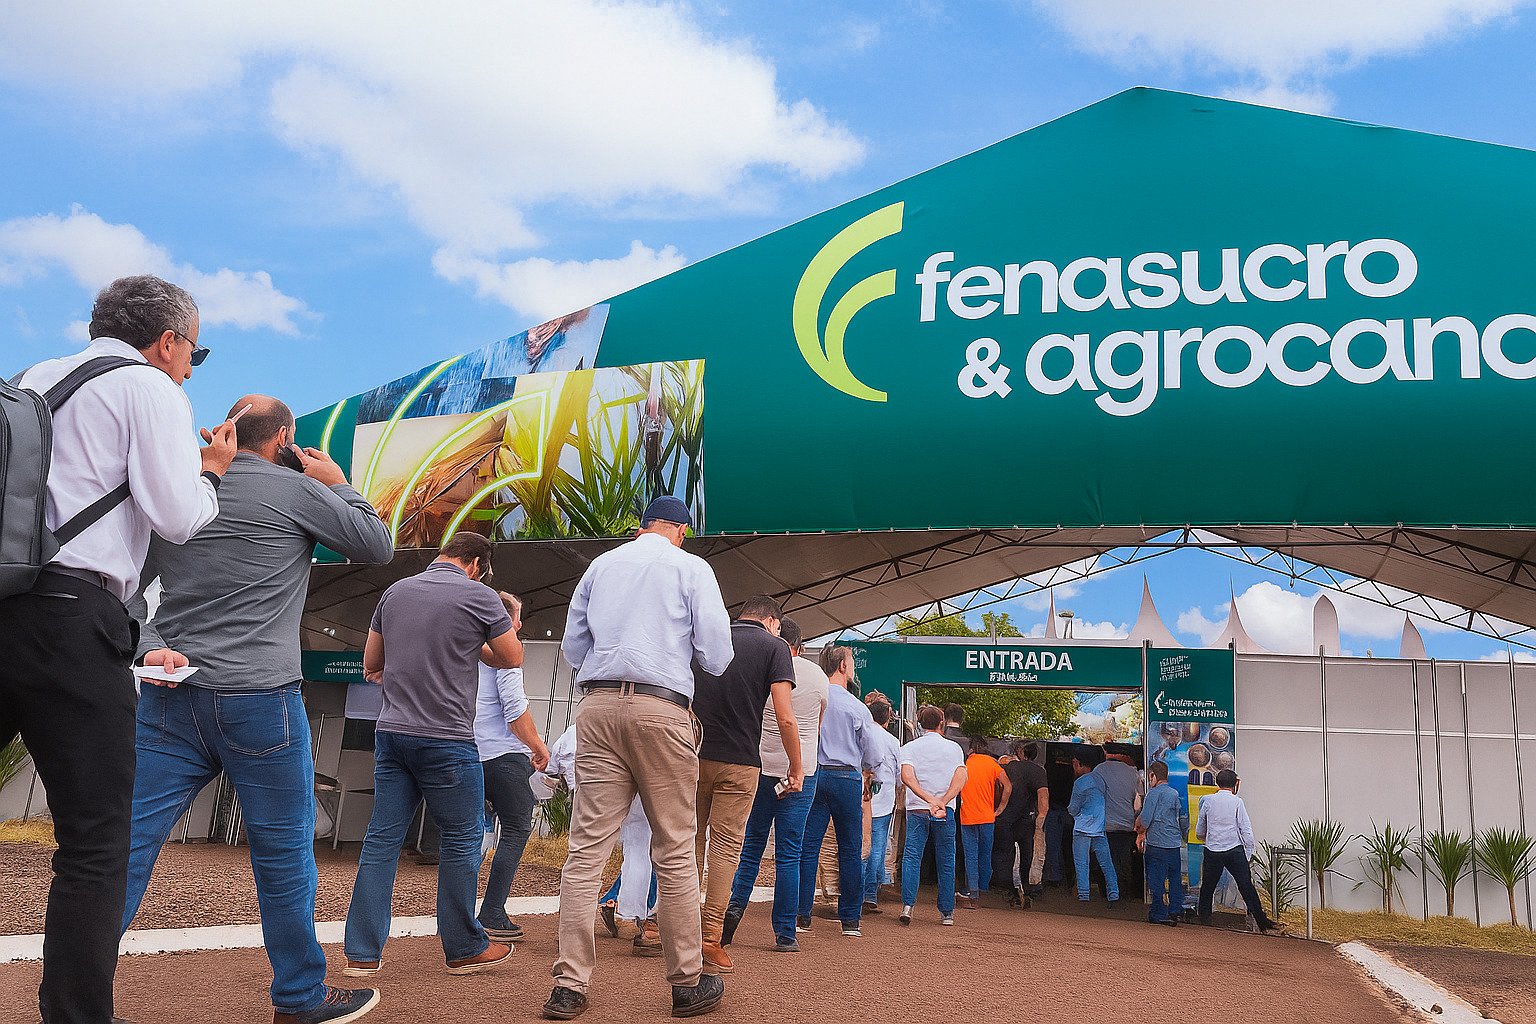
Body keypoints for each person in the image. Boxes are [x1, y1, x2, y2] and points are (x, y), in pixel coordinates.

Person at [1, 275, 235, 1024]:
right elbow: (173, 515)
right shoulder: (150, 389)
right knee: (96, 839)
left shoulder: (29, 378)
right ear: (167, 340)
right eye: (194, 352)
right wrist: (212, 475)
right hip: (74, 615)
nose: (190, 368)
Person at [123, 395, 393, 1024]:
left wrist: (151, 644)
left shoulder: (183, 488)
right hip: (260, 702)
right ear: (285, 439)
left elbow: (125, 582)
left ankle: (72, 992)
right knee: (283, 851)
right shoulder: (293, 491)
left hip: (169, 695)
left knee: (126, 844)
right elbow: (376, 546)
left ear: (228, 431)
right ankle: (298, 997)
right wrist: (341, 484)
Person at [547, 495, 732, 1021]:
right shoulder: (691, 567)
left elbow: (573, 647)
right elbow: (717, 654)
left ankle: (569, 985)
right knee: (673, 849)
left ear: (642, 526)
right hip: (662, 708)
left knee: (585, 852)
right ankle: (686, 983)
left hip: (598, 708)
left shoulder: (601, 565)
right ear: (678, 529)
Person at [344, 532, 523, 978]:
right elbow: (511, 656)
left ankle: (362, 953)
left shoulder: (395, 591)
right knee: (462, 839)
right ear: (478, 564)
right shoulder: (479, 595)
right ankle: (463, 947)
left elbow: (372, 664)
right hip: (447, 739)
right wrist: (487, 634)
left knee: (381, 841)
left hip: (393, 734)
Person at [691, 594, 800, 973]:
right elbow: (785, 717)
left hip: (693, 754)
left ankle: (676, 929)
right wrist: (796, 767)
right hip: (740, 762)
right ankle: (710, 939)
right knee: (725, 849)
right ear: (773, 621)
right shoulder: (775, 647)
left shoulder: (705, 635)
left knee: (689, 842)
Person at [722, 617, 828, 952]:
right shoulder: (819, 677)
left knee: (751, 847)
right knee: (790, 853)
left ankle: (731, 917)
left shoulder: (762, 669)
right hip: (801, 773)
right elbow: (817, 723)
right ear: (802, 643)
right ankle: (786, 934)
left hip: (761, 768)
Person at [474, 592, 553, 942]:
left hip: (465, 753)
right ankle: (492, 911)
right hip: (504, 757)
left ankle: (457, 916)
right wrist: (538, 746)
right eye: (516, 618)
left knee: (465, 835)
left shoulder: (462, 650)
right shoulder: (507, 657)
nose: (519, 625)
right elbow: (514, 709)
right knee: (518, 828)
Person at [798, 645, 882, 937]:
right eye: (851, 663)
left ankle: (802, 915)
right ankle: (850, 920)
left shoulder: (814, 698)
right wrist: (869, 768)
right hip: (847, 777)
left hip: (816, 774)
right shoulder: (857, 707)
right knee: (850, 848)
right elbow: (872, 751)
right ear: (843, 667)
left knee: (808, 847)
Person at [898, 705, 967, 926]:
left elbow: (907, 777)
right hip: (945, 810)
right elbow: (961, 777)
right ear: (942, 723)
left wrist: (927, 799)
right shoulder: (954, 748)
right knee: (946, 859)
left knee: (911, 857)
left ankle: (908, 906)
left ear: (920, 724)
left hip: (918, 808)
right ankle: (947, 912)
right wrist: (942, 801)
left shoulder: (909, 747)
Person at [1195, 770, 1281, 932]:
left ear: (1217, 783)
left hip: (1212, 850)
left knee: (1207, 887)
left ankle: (1204, 920)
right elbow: (1245, 829)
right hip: (1234, 849)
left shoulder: (1208, 801)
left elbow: (1200, 829)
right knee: (1246, 886)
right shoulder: (1237, 802)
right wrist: (1247, 853)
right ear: (1235, 784)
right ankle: (1262, 922)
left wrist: (1205, 838)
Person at [994, 739, 1049, 909]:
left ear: (1020, 752)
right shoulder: (1039, 771)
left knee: (1005, 855)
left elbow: (998, 789)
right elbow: (1043, 796)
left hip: (1005, 818)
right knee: (1027, 856)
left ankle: (1010, 890)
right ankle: (1026, 889)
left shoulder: (1008, 768)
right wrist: (1041, 818)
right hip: (1027, 820)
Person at [957, 736, 1010, 908]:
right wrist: (1000, 807)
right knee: (985, 854)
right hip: (988, 816)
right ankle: (984, 888)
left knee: (971, 856)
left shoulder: (964, 764)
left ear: (970, 748)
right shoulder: (992, 763)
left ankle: (973, 894)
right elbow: (1008, 786)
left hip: (968, 816)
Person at [862, 700, 901, 914]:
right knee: (876, 848)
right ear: (887, 716)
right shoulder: (892, 741)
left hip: (860, 800)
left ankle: (854, 893)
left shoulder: (861, 734)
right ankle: (870, 894)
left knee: (859, 846)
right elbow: (898, 775)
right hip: (883, 803)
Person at [1138, 760, 1188, 926]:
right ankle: (1175, 911)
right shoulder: (1174, 793)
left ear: (1153, 776)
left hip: (1157, 843)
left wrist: (1139, 828)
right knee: (1174, 879)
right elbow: (1182, 818)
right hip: (1173, 843)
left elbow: (1145, 819)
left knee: (1157, 880)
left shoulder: (1153, 793)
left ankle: (1158, 913)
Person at [1068, 746, 1119, 905]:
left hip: (1082, 829)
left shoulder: (1080, 783)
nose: (1074, 767)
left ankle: (1084, 897)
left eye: (1075, 764)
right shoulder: (1100, 780)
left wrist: (1076, 815)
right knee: (1107, 864)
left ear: (1081, 764)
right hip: (1099, 829)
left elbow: (1073, 808)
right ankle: (1113, 894)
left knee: (1082, 864)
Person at [1097, 744, 1142, 902]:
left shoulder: (1099, 770)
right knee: (1124, 862)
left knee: (1105, 860)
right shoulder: (1133, 773)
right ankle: (1125, 893)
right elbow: (1138, 802)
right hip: (1126, 826)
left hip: (1105, 826)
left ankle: (1108, 893)